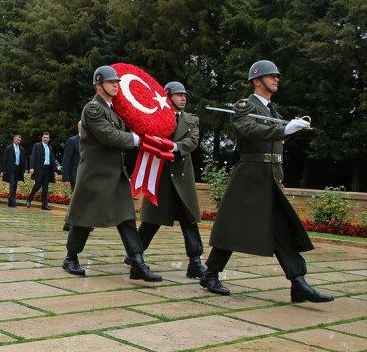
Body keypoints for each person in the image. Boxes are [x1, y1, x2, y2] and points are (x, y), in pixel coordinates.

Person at [201, 60, 332, 303]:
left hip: (270, 176)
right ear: (257, 80)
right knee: (234, 226)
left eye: (277, 76)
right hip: (249, 176)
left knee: (282, 230)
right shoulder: (245, 106)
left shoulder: (272, 111)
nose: (276, 79)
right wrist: (284, 130)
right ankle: (210, 274)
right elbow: (249, 130)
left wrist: (290, 130)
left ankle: (298, 282)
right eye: (271, 75)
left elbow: (274, 139)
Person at [63, 65, 161, 282]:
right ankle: (71, 257)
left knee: (127, 218)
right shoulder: (93, 109)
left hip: (115, 174)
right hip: (95, 174)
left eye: (116, 82)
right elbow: (109, 136)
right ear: (98, 86)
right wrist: (136, 139)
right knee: (84, 218)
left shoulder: (112, 109)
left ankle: (137, 263)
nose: (116, 85)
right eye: (110, 82)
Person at [133, 81, 206, 278]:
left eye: (184, 95)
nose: (183, 98)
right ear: (167, 96)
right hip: (161, 174)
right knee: (152, 221)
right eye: (178, 95)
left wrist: (173, 147)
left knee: (189, 218)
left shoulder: (191, 120)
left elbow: (192, 141)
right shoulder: (155, 116)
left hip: (182, 174)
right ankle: (135, 255)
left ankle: (195, 262)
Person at [27, 131, 57, 210]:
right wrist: (31, 167)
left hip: (47, 170)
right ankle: (29, 199)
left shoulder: (50, 147)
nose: (45, 139)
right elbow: (33, 156)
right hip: (38, 169)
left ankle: (44, 205)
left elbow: (52, 159)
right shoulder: (37, 145)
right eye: (44, 137)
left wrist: (54, 170)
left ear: (49, 139)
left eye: (47, 138)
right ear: (42, 138)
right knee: (37, 185)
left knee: (45, 187)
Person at [61, 122, 82, 231]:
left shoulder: (90, 141)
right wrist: (65, 178)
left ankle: (79, 223)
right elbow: (66, 160)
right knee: (76, 199)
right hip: (75, 175)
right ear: (80, 127)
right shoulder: (72, 141)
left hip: (85, 176)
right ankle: (70, 222)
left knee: (81, 199)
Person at [2, 134, 27, 207]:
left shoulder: (22, 149)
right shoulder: (9, 148)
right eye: (17, 139)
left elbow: (24, 159)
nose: (18, 141)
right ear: (14, 139)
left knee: (15, 184)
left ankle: (10, 200)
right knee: (12, 183)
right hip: (10, 169)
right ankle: (13, 200)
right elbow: (5, 159)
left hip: (18, 169)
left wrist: (25, 168)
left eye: (19, 140)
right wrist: (4, 169)